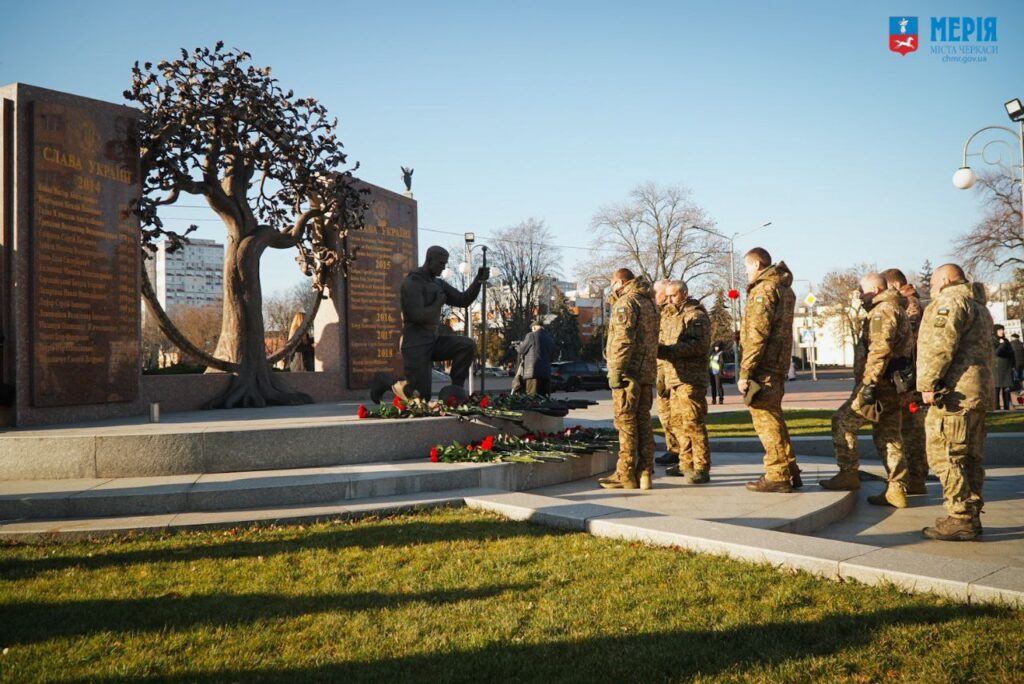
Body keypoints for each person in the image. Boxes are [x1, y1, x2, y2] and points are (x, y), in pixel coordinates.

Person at [821, 273, 912, 508]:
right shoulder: (897, 308)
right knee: (889, 436)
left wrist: (869, 384)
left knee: (842, 422)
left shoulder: (883, 310)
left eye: (863, 290)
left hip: (879, 386)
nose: (862, 296)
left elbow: (880, 349)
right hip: (894, 386)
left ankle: (848, 473)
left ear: (876, 288)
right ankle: (897, 488)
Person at [917, 263, 994, 541]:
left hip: (954, 394)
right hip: (977, 394)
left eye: (934, 283)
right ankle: (970, 515)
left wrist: (927, 383)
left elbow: (940, 345)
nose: (931, 288)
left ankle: (959, 517)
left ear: (947, 279)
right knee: (971, 457)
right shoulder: (979, 305)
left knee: (945, 454)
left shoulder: (951, 300)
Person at [371, 246, 488, 402]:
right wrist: (438, 302)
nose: (443, 267)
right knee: (419, 397)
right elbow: (418, 316)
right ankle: (386, 382)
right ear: (429, 260)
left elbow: (463, 300)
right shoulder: (412, 283)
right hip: (415, 343)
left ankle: (456, 388)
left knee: (467, 345)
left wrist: (478, 281)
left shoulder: (438, 284)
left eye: (445, 263)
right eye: (441, 263)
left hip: (434, 339)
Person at [737, 247, 800, 493]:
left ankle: (777, 474)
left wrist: (745, 372)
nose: (746, 272)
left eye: (746, 267)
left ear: (757, 265)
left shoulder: (764, 289)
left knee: (766, 419)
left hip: (763, 367)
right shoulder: (785, 288)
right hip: (778, 363)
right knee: (775, 417)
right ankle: (789, 470)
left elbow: (757, 335)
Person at [599, 268, 659, 490]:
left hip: (628, 374)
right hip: (646, 373)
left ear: (620, 282)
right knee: (644, 422)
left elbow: (622, 339)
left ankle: (624, 473)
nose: (611, 288)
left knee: (625, 422)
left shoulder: (627, 302)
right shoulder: (649, 303)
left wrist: (616, 369)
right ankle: (645, 472)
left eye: (612, 283)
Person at [658, 280, 713, 484]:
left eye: (673, 296)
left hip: (691, 378)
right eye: (668, 296)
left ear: (684, 294)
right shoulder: (674, 316)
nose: (669, 299)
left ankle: (701, 466)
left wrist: (665, 351)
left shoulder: (695, 316)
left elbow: (696, 346)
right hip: (675, 378)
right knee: (678, 423)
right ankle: (685, 463)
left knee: (693, 422)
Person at [881, 268, 928, 494]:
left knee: (911, 429)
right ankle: (914, 478)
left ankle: (915, 479)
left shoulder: (910, 304)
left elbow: (907, 338)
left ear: (896, 285)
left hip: (909, 377)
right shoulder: (911, 301)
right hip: (911, 374)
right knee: (910, 428)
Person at [652, 279, 681, 466]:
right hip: (661, 369)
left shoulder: (672, 314)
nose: (656, 297)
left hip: (672, 371)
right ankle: (673, 448)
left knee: (677, 415)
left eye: (658, 293)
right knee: (665, 413)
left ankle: (681, 451)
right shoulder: (659, 313)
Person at [518, 320, 556, 395]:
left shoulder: (531, 335)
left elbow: (522, 350)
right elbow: (553, 355)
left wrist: (517, 346)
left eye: (532, 329)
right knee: (544, 398)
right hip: (546, 373)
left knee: (532, 398)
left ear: (534, 328)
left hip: (533, 372)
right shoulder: (549, 339)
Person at [993, 324, 1015, 411]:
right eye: (999, 330)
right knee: (996, 389)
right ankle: (996, 407)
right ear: (995, 331)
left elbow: (1011, 353)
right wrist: (1002, 345)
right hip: (997, 368)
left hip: (1006, 368)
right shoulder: (992, 340)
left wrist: (1013, 365)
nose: (1002, 332)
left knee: (1006, 389)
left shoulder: (1006, 340)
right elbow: (995, 353)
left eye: (1002, 330)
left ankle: (1007, 407)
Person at [1011, 332, 1024, 397]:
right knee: (1022, 376)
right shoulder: (1022, 344)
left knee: (1017, 377)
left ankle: (1021, 389)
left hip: (1016, 363)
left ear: (1013, 337)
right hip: (1022, 362)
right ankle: (1022, 388)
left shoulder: (1011, 344)